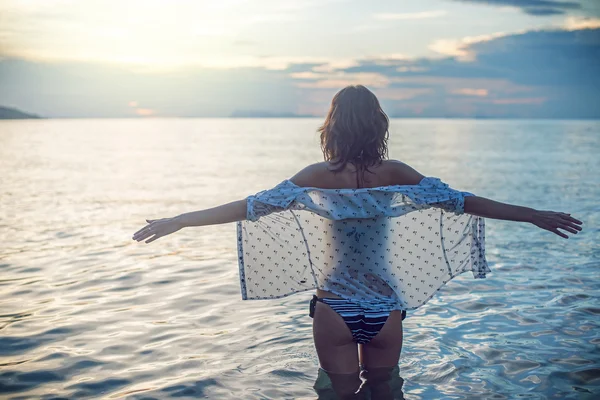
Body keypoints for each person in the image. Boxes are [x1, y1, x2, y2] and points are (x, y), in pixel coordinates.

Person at [132, 85, 583, 399]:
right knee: (387, 389)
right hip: (385, 307)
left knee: (338, 396)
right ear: (377, 125)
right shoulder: (396, 174)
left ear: (332, 126)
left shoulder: (316, 177)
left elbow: (249, 207)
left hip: (335, 308)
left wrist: (180, 221)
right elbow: (462, 202)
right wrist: (532, 215)